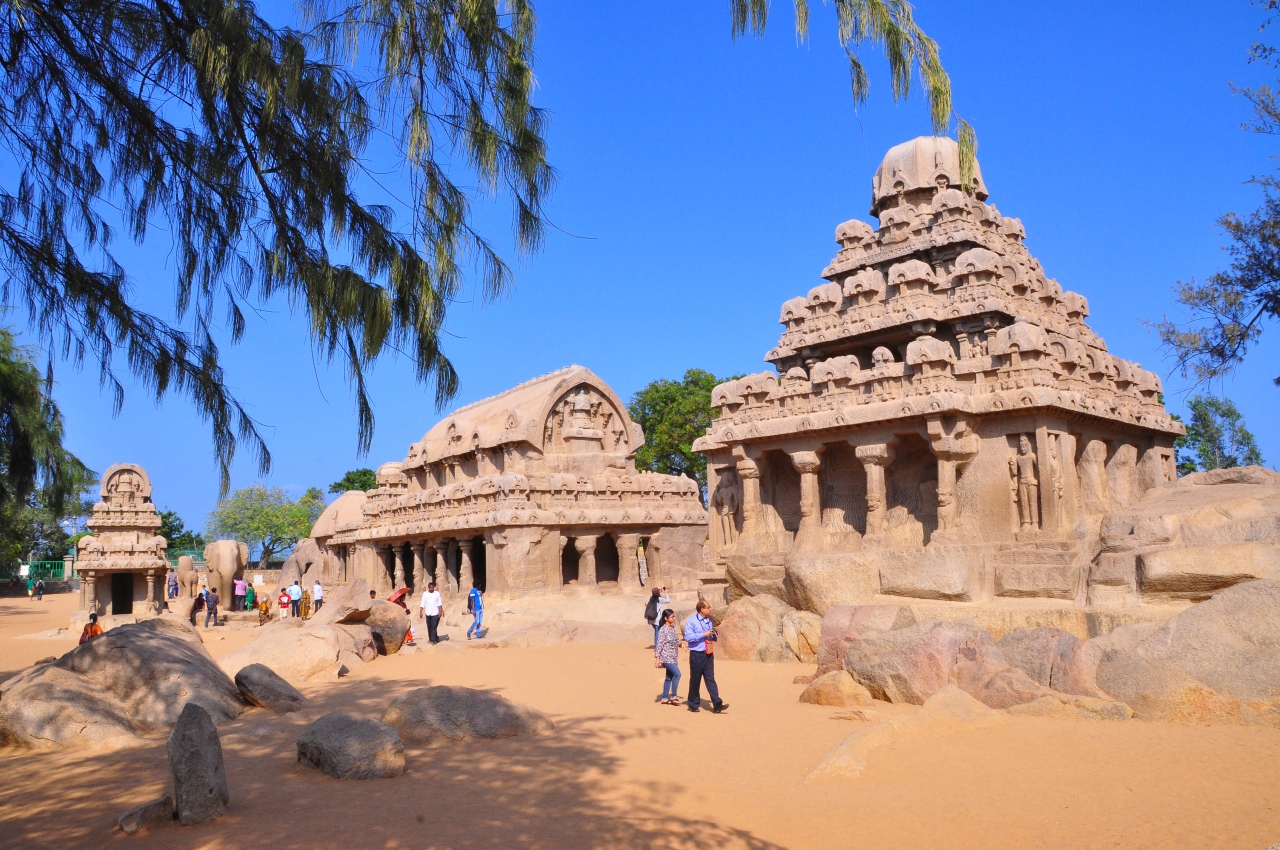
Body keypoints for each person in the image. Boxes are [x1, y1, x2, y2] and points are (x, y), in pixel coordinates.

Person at [683, 599, 727, 714]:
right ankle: (693, 704)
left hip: (708, 653)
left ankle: (717, 704)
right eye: (708, 607)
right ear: (702, 609)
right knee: (695, 680)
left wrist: (714, 635)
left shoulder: (708, 621)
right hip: (697, 654)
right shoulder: (692, 621)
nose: (710, 609)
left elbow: (710, 636)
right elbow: (688, 637)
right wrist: (703, 634)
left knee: (710, 679)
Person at [654, 609, 683, 706]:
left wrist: (681, 645)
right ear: (666, 618)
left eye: (674, 616)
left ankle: (664, 698)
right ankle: (673, 696)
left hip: (674, 656)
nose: (674, 618)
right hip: (666, 657)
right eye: (672, 617)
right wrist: (657, 658)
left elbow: (676, 641)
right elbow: (660, 644)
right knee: (677, 674)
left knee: (669, 677)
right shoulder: (663, 630)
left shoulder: (673, 628)